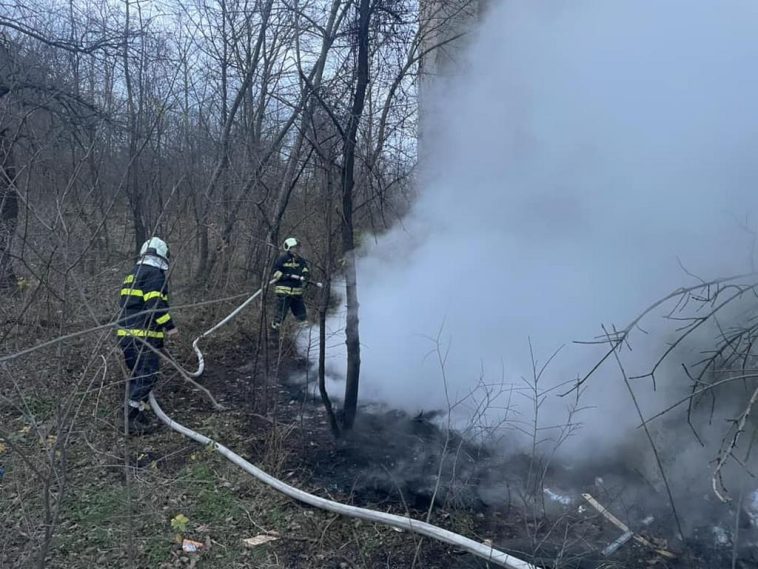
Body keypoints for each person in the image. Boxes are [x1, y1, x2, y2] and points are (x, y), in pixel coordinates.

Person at [116, 237, 177, 435]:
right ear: (162, 255)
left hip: (125, 335)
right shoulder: (154, 274)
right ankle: (130, 416)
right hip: (142, 337)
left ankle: (139, 413)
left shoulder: (133, 273)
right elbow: (155, 306)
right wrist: (170, 327)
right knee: (148, 375)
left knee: (138, 375)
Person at [271, 237, 310, 330]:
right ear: (289, 248)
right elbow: (275, 271)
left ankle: (304, 328)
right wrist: (285, 276)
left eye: (297, 247)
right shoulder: (282, 259)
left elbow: (306, 270)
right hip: (284, 291)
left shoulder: (300, 260)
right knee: (281, 311)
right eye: (294, 247)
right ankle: (276, 326)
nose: (297, 249)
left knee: (300, 312)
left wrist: (305, 276)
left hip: (297, 292)